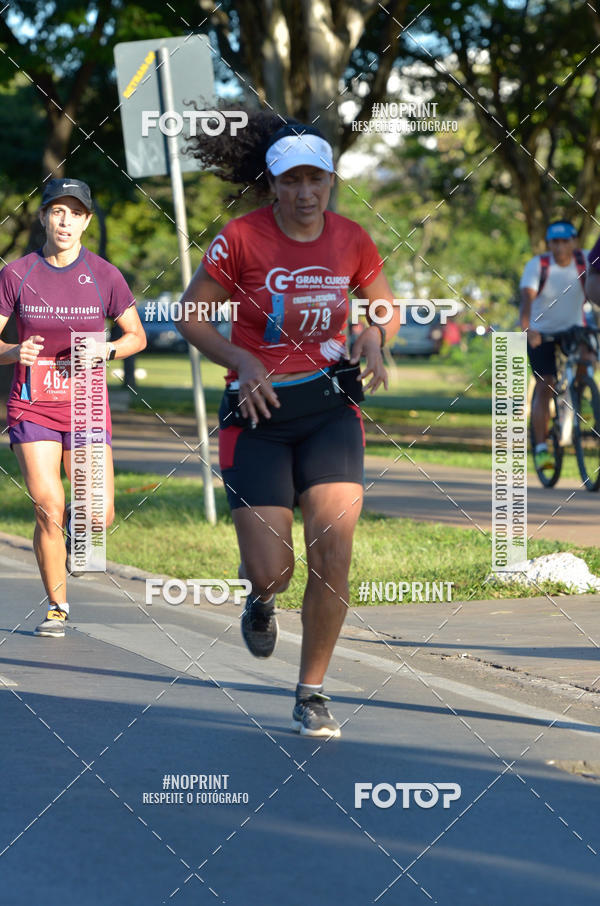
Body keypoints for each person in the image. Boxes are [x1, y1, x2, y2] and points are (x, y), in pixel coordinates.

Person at [178, 115, 399, 738]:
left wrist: (375, 332)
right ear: (272, 184)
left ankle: (311, 693)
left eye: (317, 180)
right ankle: (262, 598)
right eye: (292, 180)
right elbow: (191, 315)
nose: (306, 193)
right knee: (274, 567)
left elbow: (383, 305)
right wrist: (240, 358)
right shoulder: (241, 240)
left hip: (330, 408)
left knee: (334, 550)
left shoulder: (352, 238)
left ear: (331, 181)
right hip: (258, 414)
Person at [0, 178, 146, 637]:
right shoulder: (16, 273)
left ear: (85, 221)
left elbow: (136, 336)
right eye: (56, 212)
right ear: (44, 216)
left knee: (96, 515)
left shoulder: (105, 275)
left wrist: (107, 350)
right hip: (33, 404)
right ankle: (58, 606)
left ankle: (71, 544)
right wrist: (12, 352)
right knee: (49, 505)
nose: (64, 221)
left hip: (86, 405)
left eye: (74, 213)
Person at [520, 220, 590, 471]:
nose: (560, 247)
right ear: (549, 244)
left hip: (574, 329)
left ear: (574, 242)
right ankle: (541, 448)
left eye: (564, 241)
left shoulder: (585, 262)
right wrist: (528, 328)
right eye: (555, 242)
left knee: (588, 360)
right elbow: (526, 299)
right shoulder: (538, 265)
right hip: (542, 333)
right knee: (545, 383)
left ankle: (576, 399)